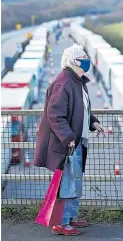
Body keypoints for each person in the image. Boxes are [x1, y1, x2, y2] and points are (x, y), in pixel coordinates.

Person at [34, 44, 106, 236]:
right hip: (67, 145)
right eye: (82, 56)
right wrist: (67, 137)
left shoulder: (77, 82)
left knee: (74, 182)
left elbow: (82, 110)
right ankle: (61, 224)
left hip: (77, 142)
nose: (86, 59)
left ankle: (71, 217)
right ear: (73, 61)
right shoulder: (64, 83)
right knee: (66, 184)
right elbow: (55, 114)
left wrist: (94, 123)